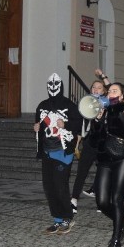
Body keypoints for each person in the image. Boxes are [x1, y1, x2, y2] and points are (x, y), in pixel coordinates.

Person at [34, 73, 81, 235]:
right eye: (50, 85)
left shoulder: (69, 105)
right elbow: (39, 124)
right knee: (49, 187)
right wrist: (37, 128)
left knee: (60, 186)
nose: (53, 88)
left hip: (62, 151)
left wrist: (66, 123)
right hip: (47, 152)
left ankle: (67, 217)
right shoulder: (42, 105)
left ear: (60, 86)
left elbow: (79, 124)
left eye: (55, 85)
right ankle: (57, 219)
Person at [92, 82, 124, 247]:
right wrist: (97, 120)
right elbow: (93, 141)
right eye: (109, 91)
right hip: (104, 160)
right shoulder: (101, 111)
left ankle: (116, 239)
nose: (110, 93)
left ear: (122, 95)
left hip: (123, 159)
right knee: (102, 201)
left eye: (114, 91)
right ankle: (120, 221)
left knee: (117, 199)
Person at [70, 75, 108, 209]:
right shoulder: (86, 104)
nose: (96, 89)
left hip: (103, 143)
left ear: (103, 91)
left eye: (99, 88)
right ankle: (74, 199)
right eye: (94, 87)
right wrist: (77, 143)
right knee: (82, 171)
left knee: (103, 171)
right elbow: (81, 126)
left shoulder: (106, 106)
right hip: (89, 143)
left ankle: (101, 200)